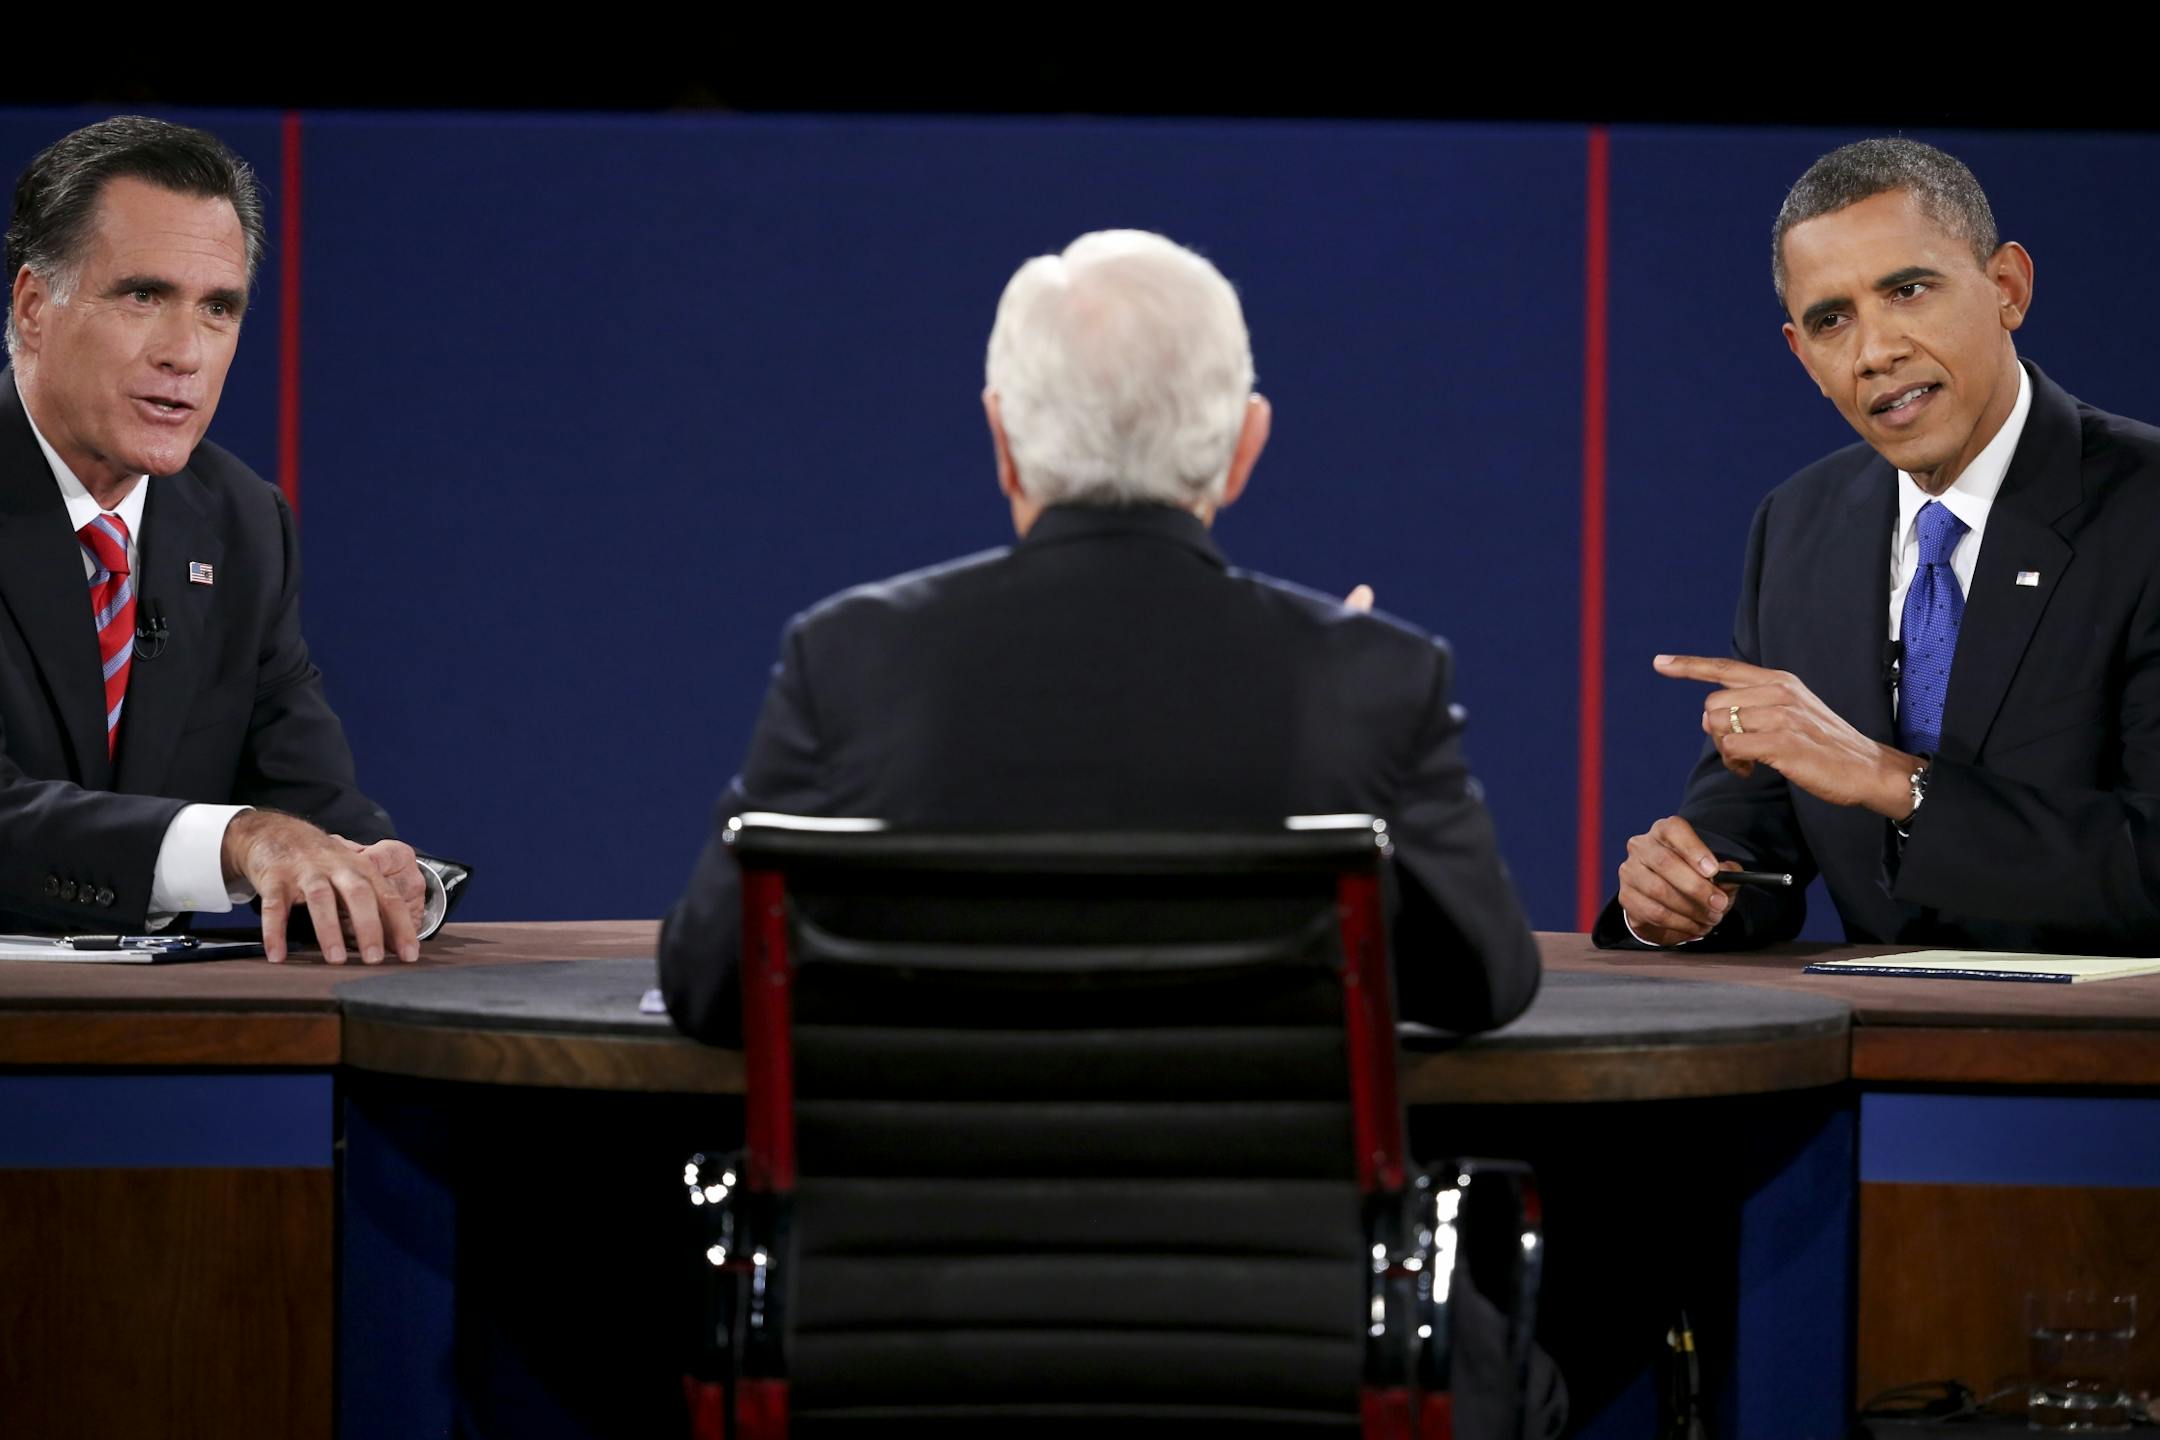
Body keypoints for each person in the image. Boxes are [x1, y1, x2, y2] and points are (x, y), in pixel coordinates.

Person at [661, 228, 1542, 1042]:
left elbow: (708, 981)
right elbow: (1486, 985)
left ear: (1003, 441)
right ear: (1246, 447)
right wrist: (1343, 721)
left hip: (942, 1170)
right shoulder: (1374, 678)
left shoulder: (847, 657)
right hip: (1242, 1171)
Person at [1601, 137, 2160, 953]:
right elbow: (1757, 817)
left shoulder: (2144, 509)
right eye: (1832, 321)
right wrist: (1691, 888)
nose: (1875, 352)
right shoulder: (1799, 524)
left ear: (2006, 288)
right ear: (1802, 355)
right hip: (1878, 1024)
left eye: (1908, 291)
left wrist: (1896, 782)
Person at [2, 115, 448, 963]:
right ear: (33, 307)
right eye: (143, 296)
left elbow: (310, 805)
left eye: (218, 309)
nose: (185, 354)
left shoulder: (240, 522)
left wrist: (388, 879)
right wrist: (242, 841)